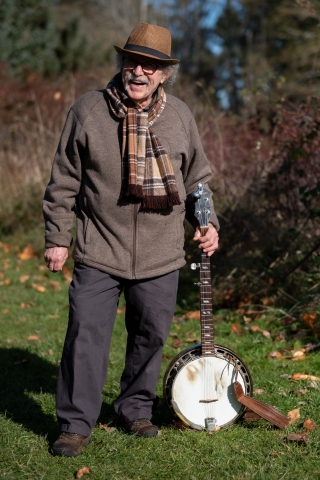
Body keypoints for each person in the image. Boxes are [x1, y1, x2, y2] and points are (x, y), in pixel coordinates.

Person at [43, 22, 219, 457]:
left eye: (151, 65)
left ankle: (135, 409)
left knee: (151, 334)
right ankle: (74, 424)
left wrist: (207, 219)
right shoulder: (88, 111)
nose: (139, 71)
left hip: (161, 252)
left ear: (164, 74)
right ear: (122, 64)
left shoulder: (179, 116)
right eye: (132, 61)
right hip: (99, 245)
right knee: (85, 334)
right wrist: (57, 236)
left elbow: (198, 179)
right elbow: (64, 180)